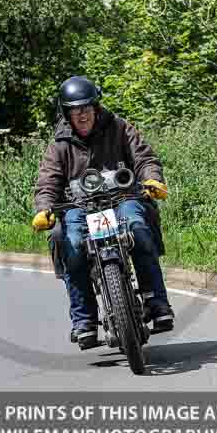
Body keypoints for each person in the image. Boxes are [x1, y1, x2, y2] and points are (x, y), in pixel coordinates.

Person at [31, 75, 175, 350]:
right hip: (78, 208)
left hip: (122, 197)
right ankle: (84, 321)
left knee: (137, 228)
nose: (82, 114)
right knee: (71, 244)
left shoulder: (119, 128)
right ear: (67, 113)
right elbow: (48, 181)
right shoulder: (59, 144)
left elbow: (144, 157)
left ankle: (157, 303)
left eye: (86, 107)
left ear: (95, 107)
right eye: (75, 110)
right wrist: (44, 208)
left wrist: (152, 179)